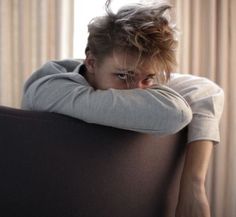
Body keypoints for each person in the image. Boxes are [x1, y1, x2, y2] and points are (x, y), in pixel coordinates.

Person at [21, 1, 224, 216]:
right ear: (90, 62)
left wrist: (193, 184)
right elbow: (177, 114)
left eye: (149, 78)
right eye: (123, 76)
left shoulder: (125, 68)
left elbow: (206, 90)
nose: (137, 90)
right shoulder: (48, 89)